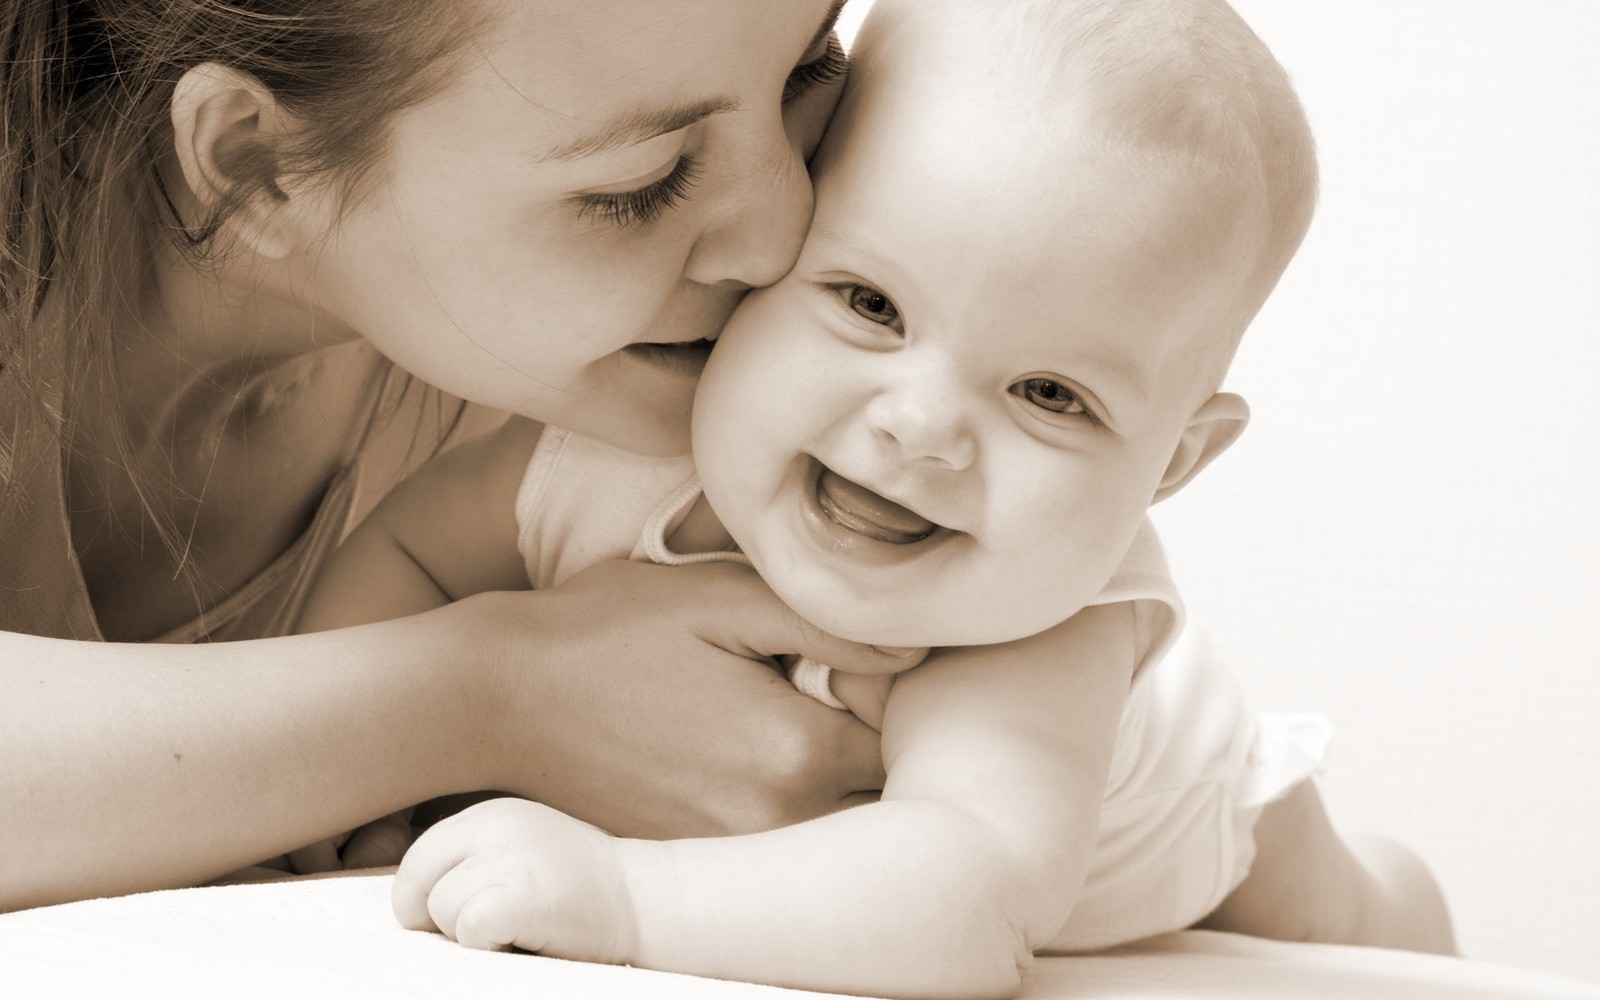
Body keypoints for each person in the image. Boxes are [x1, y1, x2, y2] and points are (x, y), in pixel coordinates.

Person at [293, 0, 1454, 995]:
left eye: (1051, 393)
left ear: (1169, 465)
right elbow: (409, 556)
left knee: (1345, 916)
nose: (920, 426)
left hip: (1182, 810)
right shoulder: (603, 451)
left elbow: (970, 899)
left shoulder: (1037, 623)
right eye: (868, 303)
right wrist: (336, 810)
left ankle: (1399, 895)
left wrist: (626, 899)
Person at [0, 0, 943, 911]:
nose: (785, 234)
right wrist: (501, 696)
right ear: (256, 161)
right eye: (639, 185)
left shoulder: (586, 381)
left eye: (808, 69)